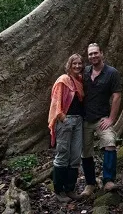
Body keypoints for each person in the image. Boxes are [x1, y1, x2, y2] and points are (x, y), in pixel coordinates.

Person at [80, 43, 122, 195]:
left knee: (110, 143)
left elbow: (117, 96)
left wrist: (111, 118)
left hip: (102, 119)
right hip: (85, 118)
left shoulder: (112, 73)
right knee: (85, 151)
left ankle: (108, 180)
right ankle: (90, 184)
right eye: (90, 54)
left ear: (102, 53)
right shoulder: (84, 72)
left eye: (95, 53)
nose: (93, 56)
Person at [47, 53, 85, 202]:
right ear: (69, 65)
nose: (77, 66)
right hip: (65, 121)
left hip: (78, 121)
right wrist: (63, 118)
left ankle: (70, 189)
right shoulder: (63, 80)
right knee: (62, 155)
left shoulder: (80, 81)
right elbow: (55, 103)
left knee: (75, 156)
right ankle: (59, 190)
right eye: (74, 63)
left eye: (79, 64)